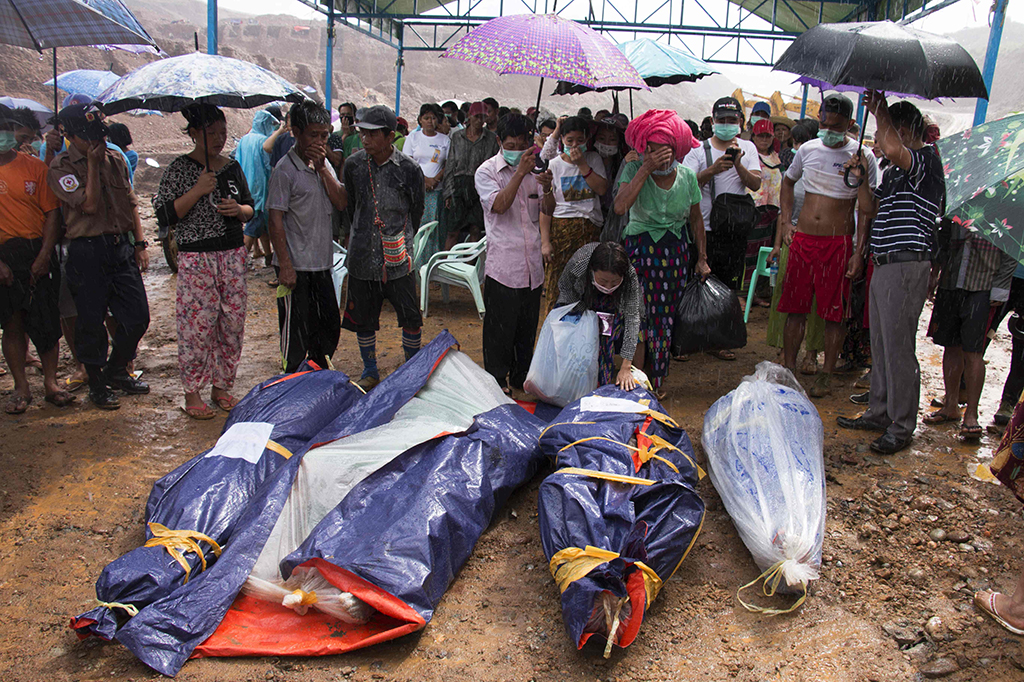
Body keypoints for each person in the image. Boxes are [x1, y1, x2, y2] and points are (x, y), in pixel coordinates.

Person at [837, 91, 945, 455]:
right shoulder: (895, 169)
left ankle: (901, 425)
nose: (879, 142)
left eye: (885, 131)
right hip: (884, 262)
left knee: (899, 348)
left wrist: (878, 109)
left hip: (906, 262)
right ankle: (880, 411)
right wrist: (862, 177)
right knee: (882, 344)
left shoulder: (925, 161)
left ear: (900, 130)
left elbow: (894, 148)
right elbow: (868, 207)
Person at [772, 94, 877, 398]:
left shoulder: (863, 156)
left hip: (838, 242)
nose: (828, 128)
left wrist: (858, 252)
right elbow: (788, 183)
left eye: (835, 124)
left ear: (849, 124)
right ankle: (790, 368)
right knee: (795, 307)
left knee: (834, 312)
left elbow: (868, 210)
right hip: (804, 238)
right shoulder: (807, 149)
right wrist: (786, 222)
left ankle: (826, 372)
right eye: (823, 122)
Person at [47, 102, 150, 410]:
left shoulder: (116, 158)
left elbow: (129, 203)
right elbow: (89, 205)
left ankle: (116, 369)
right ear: (71, 135)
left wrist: (139, 243)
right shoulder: (61, 166)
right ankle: (96, 383)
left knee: (137, 317)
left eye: (100, 135)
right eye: (89, 136)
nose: (98, 142)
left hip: (119, 246)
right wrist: (91, 166)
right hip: (87, 249)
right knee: (91, 322)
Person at [154, 104, 254, 419]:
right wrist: (198, 190)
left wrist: (239, 210)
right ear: (195, 133)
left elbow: (251, 208)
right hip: (197, 256)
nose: (218, 139)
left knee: (232, 323)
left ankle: (222, 386)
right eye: (211, 133)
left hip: (233, 254)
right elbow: (165, 215)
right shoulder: (179, 170)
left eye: (222, 132)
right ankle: (192, 391)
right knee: (197, 327)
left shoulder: (232, 167)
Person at [614, 109, 709, 391]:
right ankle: (633, 379)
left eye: (662, 151)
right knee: (636, 316)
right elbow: (620, 207)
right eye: (650, 149)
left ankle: (657, 382)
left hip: (673, 256)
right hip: (639, 252)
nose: (656, 155)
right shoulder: (633, 170)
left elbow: (696, 220)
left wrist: (701, 258)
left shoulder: (688, 177)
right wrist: (645, 169)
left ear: (676, 151)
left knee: (663, 320)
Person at [342, 105, 424, 391]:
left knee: (410, 316)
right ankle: (370, 369)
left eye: (371, 134)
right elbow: (352, 207)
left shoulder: (409, 170)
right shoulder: (353, 166)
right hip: (363, 255)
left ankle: (412, 371)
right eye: (362, 133)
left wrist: (403, 243)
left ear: (390, 136)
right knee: (364, 319)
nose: (364, 139)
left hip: (398, 257)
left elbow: (416, 211)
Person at [0, 105, 74, 414]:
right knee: (12, 323)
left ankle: (50, 383)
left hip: (37, 250)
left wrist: (45, 254)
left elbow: (51, 214)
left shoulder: (34, 168)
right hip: (4, 255)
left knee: (45, 322)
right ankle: (21, 386)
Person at [475, 113, 554, 393]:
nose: (517, 150)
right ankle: (497, 380)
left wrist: (547, 187)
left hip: (532, 264)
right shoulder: (486, 172)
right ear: (499, 142)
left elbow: (548, 210)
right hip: (503, 266)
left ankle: (522, 376)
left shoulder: (536, 170)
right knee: (499, 331)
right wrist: (520, 173)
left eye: (522, 144)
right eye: (511, 144)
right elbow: (498, 205)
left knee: (526, 328)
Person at [267, 101, 347, 373]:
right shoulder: (285, 170)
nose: (320, 141)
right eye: (313, 135)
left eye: (324, 135)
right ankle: (292, 381)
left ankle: (316, 376)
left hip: (321, 263)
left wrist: (323, 168)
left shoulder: (324, 165)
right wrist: (285, 266)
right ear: (297, 133)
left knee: (328, 327)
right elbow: (275, 219)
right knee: (296, 334)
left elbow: (340, 202)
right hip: (296, 266)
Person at [922, 213, 1016, 440]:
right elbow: (942, 243)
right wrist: (935, 274)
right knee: (950, 346)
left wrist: (1000, 288)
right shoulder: (958, 207)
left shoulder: (1000, 206)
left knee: (973, 351)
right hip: (951, 282)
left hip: (981, 286)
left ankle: (971, 415)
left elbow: (1011, 250)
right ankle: (950, 405)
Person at [683, 96, 761, 361]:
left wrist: (738, 164)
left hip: (732, 227)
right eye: (722, 120)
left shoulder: (748, 149)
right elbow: (685, 183)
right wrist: (712, 170)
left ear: (740, 122)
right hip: (703, 225)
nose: (727, 125)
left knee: (726, 286)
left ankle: (719, 340)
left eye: (732, 120)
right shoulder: (698, 151)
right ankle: (687, 338)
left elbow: (756, 184)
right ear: (713, 121)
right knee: (692, 282)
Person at [766, 122, 824, 372]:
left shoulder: (827, 170)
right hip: (794, 240)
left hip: (822, 240)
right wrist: (778, 244)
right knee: (787, 297)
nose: (798, 148)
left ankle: (812, 354)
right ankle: (783, 349)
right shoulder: (793, 172)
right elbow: (783, 211)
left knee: (817, 302)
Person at [541, 116, 608, 315]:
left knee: (585, 283)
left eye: (579, 140)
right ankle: (554, 326)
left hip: (589, 229)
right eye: (569, 140)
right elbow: (546, 208)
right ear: (561, 139)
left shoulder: (593, 159)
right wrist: (545, 241)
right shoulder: (554, 164)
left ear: (586, 139)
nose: (574, 145)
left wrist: (582, 165)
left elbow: (602, 189)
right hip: (562, 231)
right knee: (558, 283)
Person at [556, 241, 642, 389]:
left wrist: (626, 366)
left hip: (610, 304)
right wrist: (576, 316)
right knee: (573, 343)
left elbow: (633, 317)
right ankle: (568, 386)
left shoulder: (629, 275)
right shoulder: (580, 262)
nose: (608, 286)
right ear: (592, 271)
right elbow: (565, 287)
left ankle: (601, 387)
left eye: (614, 282)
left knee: (604, 342)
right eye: (603, 281)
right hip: (580, 297)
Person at [442, 101, 499, 248]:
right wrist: (448, 192)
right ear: (469, 116)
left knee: (475, 229)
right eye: (476, 116)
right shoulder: (457, 137)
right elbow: (450, 166)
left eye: (483, 117)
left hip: (480, 187)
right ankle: (444, 265)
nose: (480, 121)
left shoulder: (491, 139)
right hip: (459, 186)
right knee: (452, 231)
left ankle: (469, 265)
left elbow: (494, 166)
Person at [746, 119, 782, 309]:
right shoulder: (749, 156)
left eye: (768, 136)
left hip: (772, 210)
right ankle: (744, 293)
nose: (764, 139)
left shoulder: (776, 157)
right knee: (748, 254)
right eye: (761, 135)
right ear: (753, 135)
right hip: (753, 209)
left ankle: (757, 292)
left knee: (764, 252)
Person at [236, 109, 278, 265]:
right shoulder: (263, 141)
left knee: (261, 226)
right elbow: (269, 166)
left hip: (246, 188)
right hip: (260, 189)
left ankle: (268, 256)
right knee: (254, 226)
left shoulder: (243, 140)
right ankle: (238, 262)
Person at [403, 103, 450, 238]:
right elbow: (408, 162)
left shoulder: (445, 140)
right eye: (426, 118)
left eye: (433, 118)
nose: (430, 121)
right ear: (420, 120)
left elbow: (448, 164)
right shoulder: (413, 137)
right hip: (416, 190)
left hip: (436, 190)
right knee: (417, 226)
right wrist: (424, 180)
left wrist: (435, 180)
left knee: (434, 227)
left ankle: (432, 257)